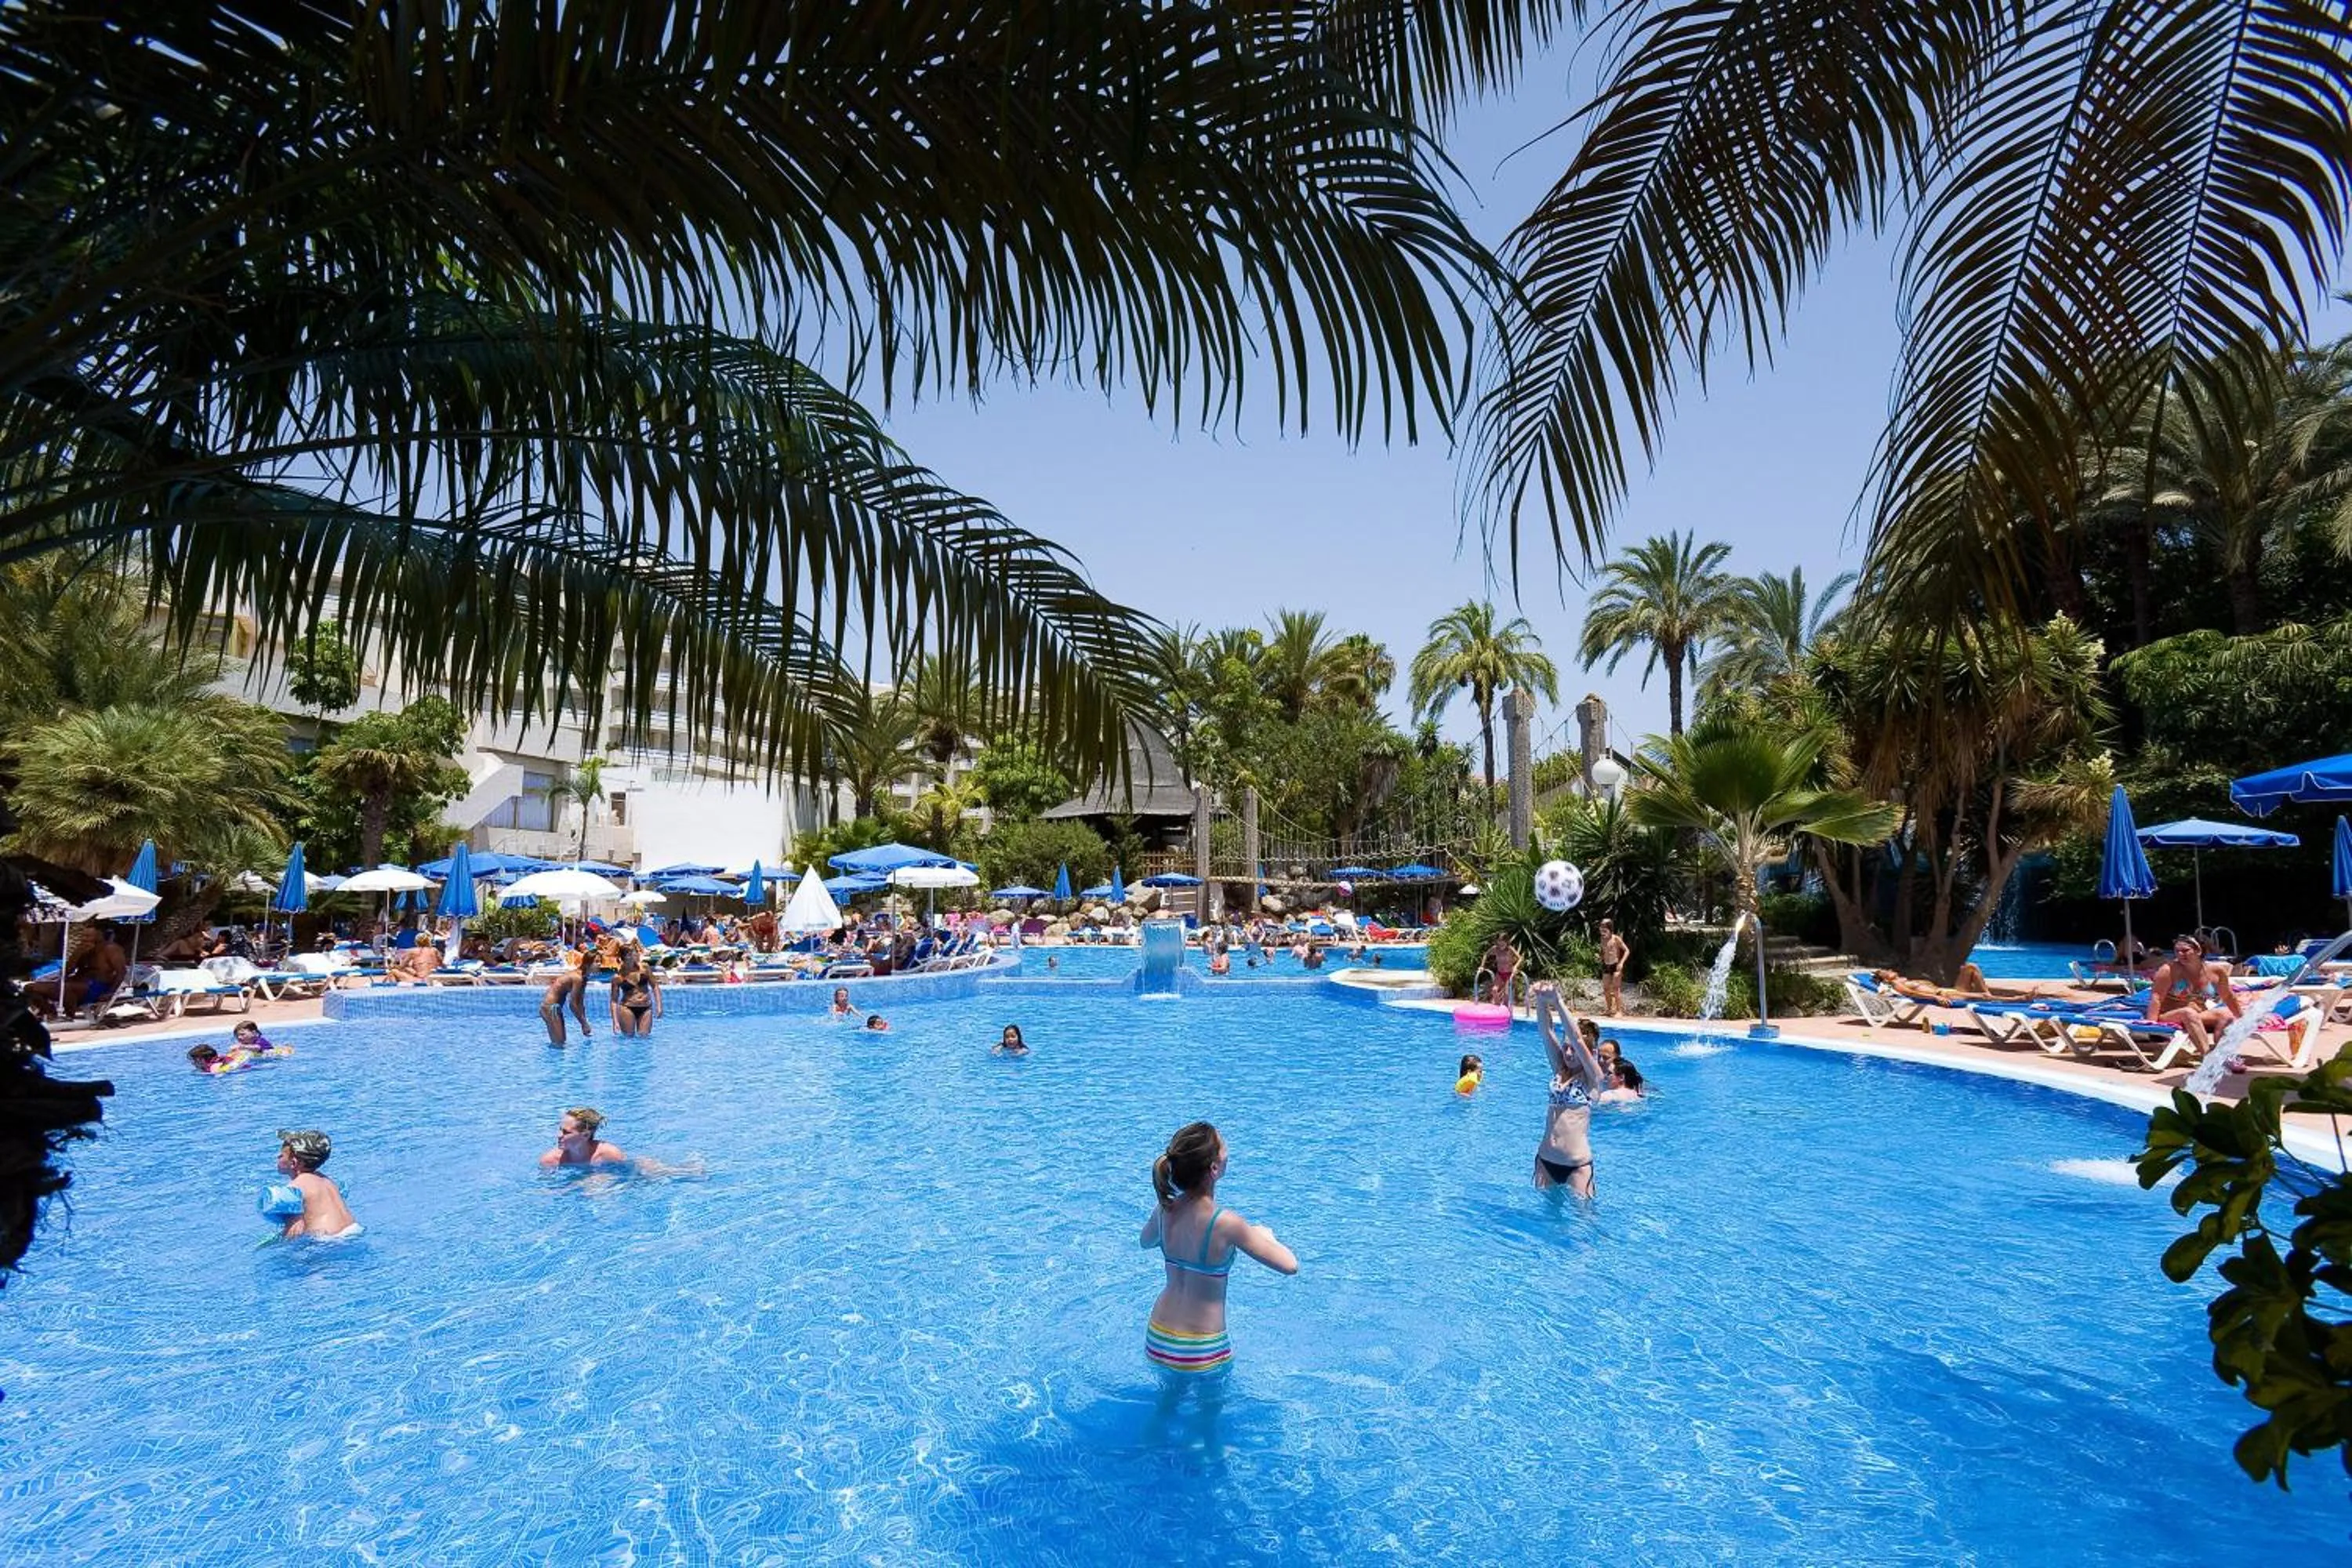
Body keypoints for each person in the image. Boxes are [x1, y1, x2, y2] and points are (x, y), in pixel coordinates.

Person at [1139, 1121, 1297, 1377]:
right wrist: (1266, 1237)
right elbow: (1290, 1266)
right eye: (1224, 1146)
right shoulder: (1226, 1223)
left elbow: (1145, 1242)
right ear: (1214, 1168)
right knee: (1207, 1415)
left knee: (1165, 1407)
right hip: (1201, 1347)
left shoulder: (1165, 1210)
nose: (1228, 1150)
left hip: (1158, 1336)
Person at [1530, 984, 1606, 1196]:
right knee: (1544, 1225)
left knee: (1583, 1225)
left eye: (1573, 1049)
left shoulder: (1593, 1078)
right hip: (1545, 1161)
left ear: (1590, 1053)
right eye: (1565, 1047)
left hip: (1577, 1166)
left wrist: (1558, 1001)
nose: (1568, 1052)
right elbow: (1546, 1032)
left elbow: (1576, 1038)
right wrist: (1542, 1000)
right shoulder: (1559, 1068)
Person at [2147, 934, 2241, 1056]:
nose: (2180, 954)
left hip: (2199, 1015)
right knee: (2188, 1013)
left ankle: (2222, 1056)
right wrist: (2150, 1026)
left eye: (2185, 951)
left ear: (2198, 951)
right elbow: (2157, 998)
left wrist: (2243, 1018)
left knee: (2226, 1015)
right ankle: (2207, 1057)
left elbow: (2228, 996)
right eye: (2177, 951)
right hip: (2169, 1016)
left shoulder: (2216, 972)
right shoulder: (2169, 970)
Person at [272, 1130, 360, 1239]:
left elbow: (294, 1230)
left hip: (329, 1240)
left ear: (293, 1163)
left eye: (282, 1155)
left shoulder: (295, 1188)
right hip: (354, 1229)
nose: (278, 1156)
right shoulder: (326, 1181)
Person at [539, 941, 594, 1045]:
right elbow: (573, 1005)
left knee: (560, 1042)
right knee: (559, 1043)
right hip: (551, 1008)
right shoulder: (578, 978)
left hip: (554, 1008)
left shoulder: (584, 978)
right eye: (597, 962)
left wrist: (585, 1022)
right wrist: (583, 1023)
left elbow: (580, 1003)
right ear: (588, 964)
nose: (600, 964)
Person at [541, 1106, 628, 1167]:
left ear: (586, 1135)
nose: (559, 1135)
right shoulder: (550, 1161)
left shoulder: (609, 1154)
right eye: (560, 1130)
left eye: (566, 1132)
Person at [609, 957, 662, 1037]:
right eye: (630, 955)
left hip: (646, 1008)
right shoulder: (618, 976)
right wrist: (615, 1021)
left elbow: (655, 986)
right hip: (627, 1008)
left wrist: (659, 1006)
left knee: (644, 1038)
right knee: (628, 1039)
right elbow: (614, 1000)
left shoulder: (644, 968)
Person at [1597, 920, 1628, 1015]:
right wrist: (1600, 957)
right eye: (1601, 927)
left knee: (1616, 989)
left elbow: (1627, 951)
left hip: (1616, 965)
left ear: (1610, 928)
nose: (1602, 930)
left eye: (1604, 928)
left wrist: (1622, 963)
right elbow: (1603, 951)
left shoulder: (1616, 939)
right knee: (1606, 989)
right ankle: (1610, 1009)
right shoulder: (1602, 939)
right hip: (1607, 965)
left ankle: (1619, 1011)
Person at [1485, 933, 1519, 1007]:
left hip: (1509, 974)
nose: (1501, 943)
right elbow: (1486, 954)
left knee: (1506, 995)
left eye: (1503, 941)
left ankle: (1505, 1011)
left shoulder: (1510, 949)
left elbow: (1520, 958)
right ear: (1497, 941)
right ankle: (1497, 1008)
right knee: (1494, 990)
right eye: (1499, 941)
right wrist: (1482, 966)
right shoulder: (1495, 948)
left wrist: (1515, 966)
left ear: (1507, 941)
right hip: (1500, 973)